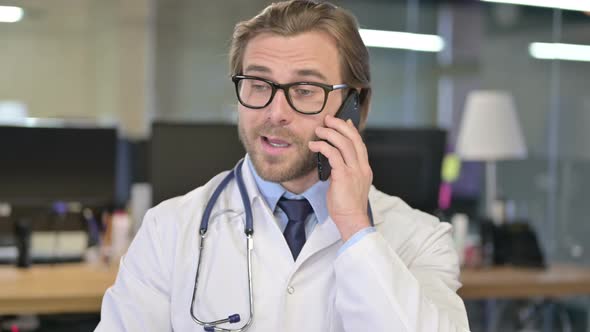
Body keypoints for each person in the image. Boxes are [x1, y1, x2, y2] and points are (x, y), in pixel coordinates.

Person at [95, 1, 470, 331]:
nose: (276, 113)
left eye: (305, 90)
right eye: (258, 84)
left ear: (354, 108)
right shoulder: (169, 231)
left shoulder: (421, 240)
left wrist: (356, 231)